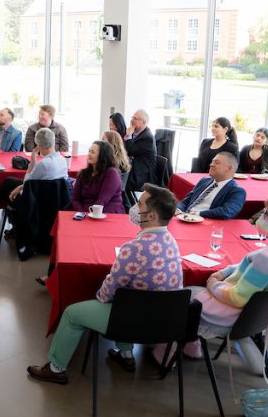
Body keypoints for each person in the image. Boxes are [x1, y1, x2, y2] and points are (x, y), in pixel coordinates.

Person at [27, 184, 183, 382]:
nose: (134, 207)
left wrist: (100, 296)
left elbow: (107, 292)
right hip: (164, 320)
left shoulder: (134, 248)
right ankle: (126, 355)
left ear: (151, 216)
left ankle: (56, 368)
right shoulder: (171, 242)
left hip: (133, 320)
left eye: (139, 203)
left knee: (72, 313)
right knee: (131, 296)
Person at [191, 193, 268, 337]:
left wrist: (213, 284)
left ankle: (173, 346)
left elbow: (238, 298)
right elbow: (253, 267)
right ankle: (191, 343)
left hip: (234, 316)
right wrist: (225, 271)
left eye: (267, 214)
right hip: (263, 315)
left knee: (182, 295)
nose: (262, 217)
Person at [0, 127, 67, 221]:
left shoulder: (43, 164)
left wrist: (32, 162)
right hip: (51, 199)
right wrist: (21, 186)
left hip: (33, 200)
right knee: (9, 181)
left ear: (39, 145)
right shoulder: (62, 160)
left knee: (5, 190)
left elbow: (27, 183)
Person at [176, 151, 246, 219]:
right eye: (212, 161)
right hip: (184, 218)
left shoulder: (237, 191)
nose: (211, 164)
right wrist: (178, 209)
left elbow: (226, 212)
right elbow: (186, 201)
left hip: (205, 223)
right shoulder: (204, 181)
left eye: (216, 162)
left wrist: (196, 214)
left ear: (229, 168)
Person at [71, 140, 125, 214]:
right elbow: (75, 199)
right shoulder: (83, 173)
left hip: (107, 212)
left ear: (102, 155)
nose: (89, 154)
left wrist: (88, 213)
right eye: (89, 151)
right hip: (85, 211)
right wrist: (82, 212)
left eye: (92, 152)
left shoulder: (111, 173)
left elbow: (102, 200)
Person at [123, 109, 157, 191]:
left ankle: (124, 200)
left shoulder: (147, 137)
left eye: (135, 118)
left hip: (142, 173)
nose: (131, 120)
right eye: (132, 117)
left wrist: (128, 136)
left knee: (120, 177)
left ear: (144, 122)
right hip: (135, 166)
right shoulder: (136, 132)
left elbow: (129, 151)